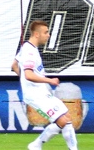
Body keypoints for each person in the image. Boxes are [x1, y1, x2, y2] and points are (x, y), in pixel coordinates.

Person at [11, 20, 79, 150]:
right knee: (62, 121)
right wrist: (50, 80)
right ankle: (36, 144)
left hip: (41, 92)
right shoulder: (29, 52)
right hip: (35, 95)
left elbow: (14, 66)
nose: (48, 35)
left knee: (67, 118)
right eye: (46, 32)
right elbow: (29, 75)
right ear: (37, 34)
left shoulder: (28, 47)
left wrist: (24, 82)